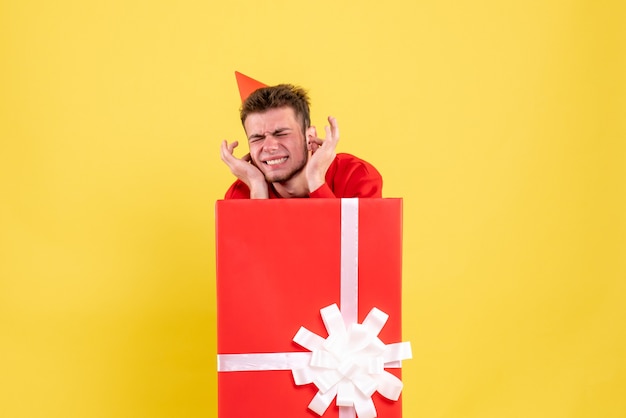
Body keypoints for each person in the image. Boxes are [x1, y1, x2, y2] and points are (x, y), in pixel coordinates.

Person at [220, 83, 382, 199]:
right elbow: (251, 247)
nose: (269, 147)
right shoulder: (241, 194)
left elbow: (359, 246)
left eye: (281, 133)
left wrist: (316, 181)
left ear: (309, 137)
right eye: (258, 138)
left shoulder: (355, 176)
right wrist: (257, 188)